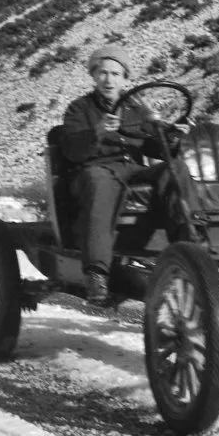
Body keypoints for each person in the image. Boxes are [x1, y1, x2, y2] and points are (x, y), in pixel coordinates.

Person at [61, 44, 186, 305]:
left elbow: (157, 147)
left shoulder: (136, 109)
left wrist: (166, 133)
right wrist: (97, 130)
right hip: (97, 168)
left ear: (124, 78)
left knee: (173, 171)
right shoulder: (79, 109)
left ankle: (189, 248)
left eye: (116, 74)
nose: (109, 79)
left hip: (133, 169)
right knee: (98, 183)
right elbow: (72, 150)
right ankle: (96, 272)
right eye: (103, 73)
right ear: (94, 76)